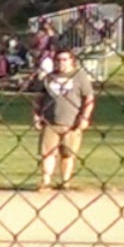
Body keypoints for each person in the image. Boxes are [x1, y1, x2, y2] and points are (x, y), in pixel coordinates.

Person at [36, 49, 96, 191]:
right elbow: (38, 98)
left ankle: (65, 182)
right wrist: (36, 115)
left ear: (72, 61)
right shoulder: (49, 78)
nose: (61, 63)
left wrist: (85, 117)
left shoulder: (79, 76)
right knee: (48, 153)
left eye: (65, 60)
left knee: (67, 154)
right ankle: (46, 181)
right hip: (50, 121)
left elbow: (89, 98)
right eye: (58, 60)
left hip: (72, 122)